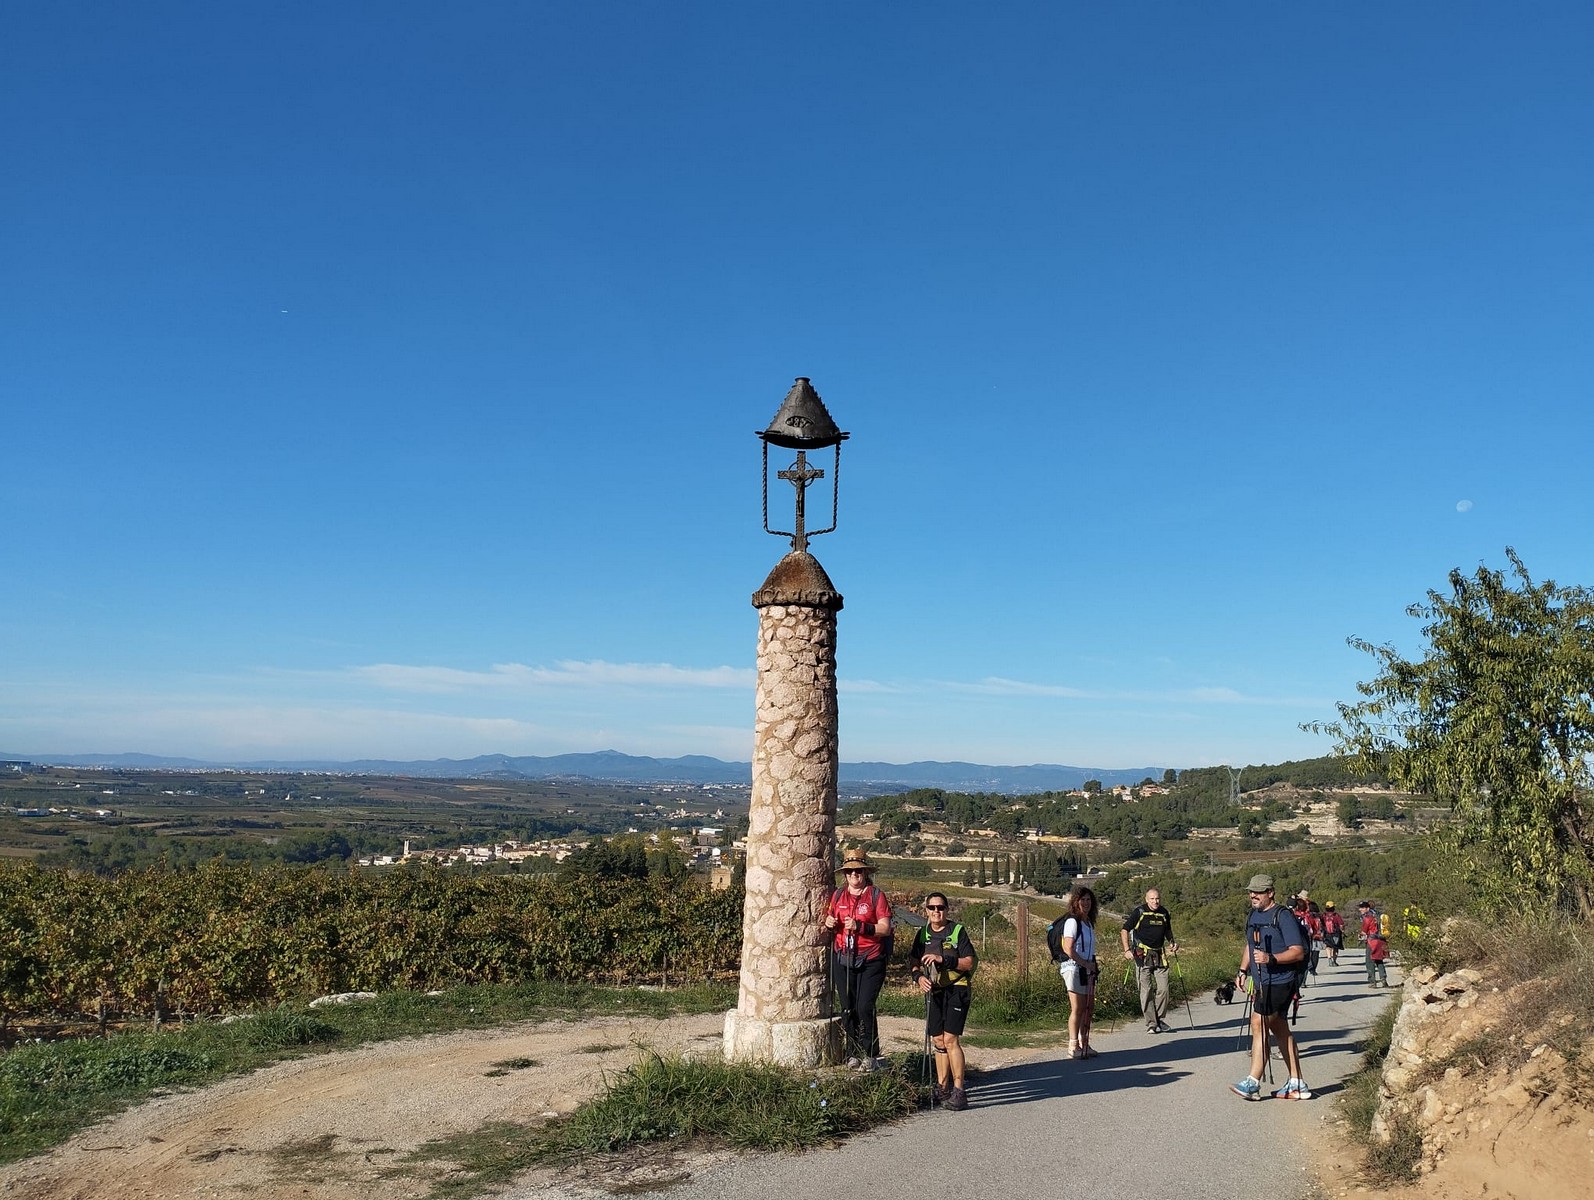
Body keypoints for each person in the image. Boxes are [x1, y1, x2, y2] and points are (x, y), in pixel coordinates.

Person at [1231, 874, 1312, 1101]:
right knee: (1278, 1027)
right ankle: (1297, 1083)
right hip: (1261, 982)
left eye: (1258, 892)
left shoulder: (1282, 916)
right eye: (1251, 892)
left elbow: (1298, 951)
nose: (1253, 895)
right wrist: (1243, 970)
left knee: (1258, 1022)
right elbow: (1250, 945)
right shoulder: (1253, 915)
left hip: (1281, 981)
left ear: (1270, 892)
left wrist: (1271, 958)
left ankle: (1253, 1082)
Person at [825, 848, 893, 1069]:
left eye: (858, 871)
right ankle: (852, 1052)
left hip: (871, 958)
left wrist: (861, 927)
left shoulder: (875, 895)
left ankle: (870, 1053)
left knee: (864, 1006)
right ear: (844, 874)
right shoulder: (838, 896)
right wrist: (829, 922)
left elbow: (885, 928)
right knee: (848, 1008)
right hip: (843, 958)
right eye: (849, 871)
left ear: (865, 873)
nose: (854, 875)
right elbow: (830, 917)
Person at [909, 892, 977, 1110]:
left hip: (957, 987)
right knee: (938, 1040)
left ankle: (959, 1090)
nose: (936, 911)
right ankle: (942, 1087)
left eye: (940, 907)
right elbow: (913, 961)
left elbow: (968, 962)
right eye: (932, 908)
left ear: (947, 910)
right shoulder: (922, 934)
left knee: (950, 1039)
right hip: (934, 990)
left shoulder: (957, 931)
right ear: (926, 910)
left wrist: (942, 959)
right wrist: (918, 977)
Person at [1120, 887, 1179, 1033]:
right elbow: (1125, 930)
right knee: (1145, 991)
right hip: (1142, 955)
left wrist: (1172, 942)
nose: (1155, 901)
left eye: (1157, 898)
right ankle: (1152, 1023)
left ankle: (1158, 1019)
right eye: (1152, 899)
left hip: (1159, 955)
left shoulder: (1164, 913)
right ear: (1146, 900)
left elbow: (1168, 930)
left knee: (1164, 989)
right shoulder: (1139, 912)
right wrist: (1126, 950)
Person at [1059, 885, 1100, 1058]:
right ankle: (1073, 1045)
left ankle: (1084, 1044)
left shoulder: (1088, 923)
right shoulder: (1072, 922)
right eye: (1082, 899)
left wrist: (1091, 965)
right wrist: (1085, 964)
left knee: (1088, 1007)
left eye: (1088, 899)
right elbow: (1068, 948)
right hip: (1073, 968)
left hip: (1086, 968)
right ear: (1075, 902)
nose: (1086, 903)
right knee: (1077, 1007)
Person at [1358, 900, 1389, 988]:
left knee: (1369, 961)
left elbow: (1364, 931)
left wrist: (1360, 937)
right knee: (1379, 960)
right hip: (1381, 940)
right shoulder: (1379, 915)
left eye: (1362, 908)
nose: (1360, 909)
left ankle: (1372, 982)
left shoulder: (1367, 917)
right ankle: (1383, 979)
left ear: (1367, 908)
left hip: (1372, 941)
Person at [1322, 901, 1346, 966]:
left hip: (1327, 933)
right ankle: (1334, 961)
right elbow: (1341, 924)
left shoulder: (1324, 915)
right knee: (1335, 947)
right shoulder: (1336, 915)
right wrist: (1343, 931)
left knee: (1328, 946)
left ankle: (1329, 959)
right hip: (1336, 933)